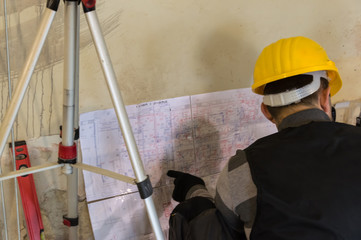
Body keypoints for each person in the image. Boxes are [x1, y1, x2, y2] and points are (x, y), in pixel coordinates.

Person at [167, 36, 361, 240]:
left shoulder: (243, 167)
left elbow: (220, 230)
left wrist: (195, 192)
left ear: (266, 112)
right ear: (325, 97)